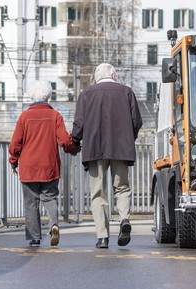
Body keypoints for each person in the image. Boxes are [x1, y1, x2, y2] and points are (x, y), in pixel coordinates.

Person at [71, 63, 143, 249]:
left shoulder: (86, 94)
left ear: (96, 77)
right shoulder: (127, 92)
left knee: (98, 193)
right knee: (122, 188)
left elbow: (79, 123)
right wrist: (128, 137)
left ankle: (102, 237)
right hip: (121, 147)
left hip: (95, 149)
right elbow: (137, 121)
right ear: (113, 75)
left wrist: (74, 141)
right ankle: (124, 218)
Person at [8, 81, 79, 247]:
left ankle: (34, 237)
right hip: (49, 165)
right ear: (48, 96)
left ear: (32, 96)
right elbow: (64, 140)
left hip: (28, 167)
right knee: (50, 198)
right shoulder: (55, 116)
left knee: (31, 202)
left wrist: (13, 162)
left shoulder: (24, 117)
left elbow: (15, 144)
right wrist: (74, 149)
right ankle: (54, 224)